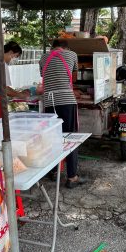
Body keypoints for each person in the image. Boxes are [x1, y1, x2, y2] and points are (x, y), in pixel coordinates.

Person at [39, 39, 86, 189]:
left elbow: (45, 79)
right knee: (70, 137)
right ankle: (72, 177)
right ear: (66, 47)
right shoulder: (72, 55)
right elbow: (73, 79)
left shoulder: (43, 58)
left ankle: (53, 171)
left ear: (52, 47)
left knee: (52, 137)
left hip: (49, 103)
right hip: (66, 101)